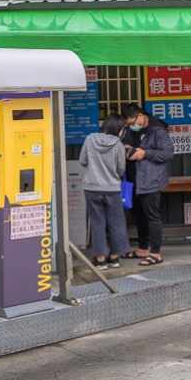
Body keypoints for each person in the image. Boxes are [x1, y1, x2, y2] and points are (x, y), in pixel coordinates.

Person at [121, 103, 174, 266]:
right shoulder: (130, 131)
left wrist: (145, 153)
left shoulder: (158, 130)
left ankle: (156, 253)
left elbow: (168, 153)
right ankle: (143, 248)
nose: (131, 126)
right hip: (134, 178)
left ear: (140, 116)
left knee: (152, 216)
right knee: (139, 215)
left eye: (132, 123)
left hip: (151, 180)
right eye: (128, 124)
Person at [79, 114, 132, 269]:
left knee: (97, 223)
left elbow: (82, 161)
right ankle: (114, 258)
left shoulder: (90, 139)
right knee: (116, 223)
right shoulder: (118, 145)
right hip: (112, 189)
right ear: (119, 129)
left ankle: (100, 259)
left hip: (92, 188)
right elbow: (121, 169)